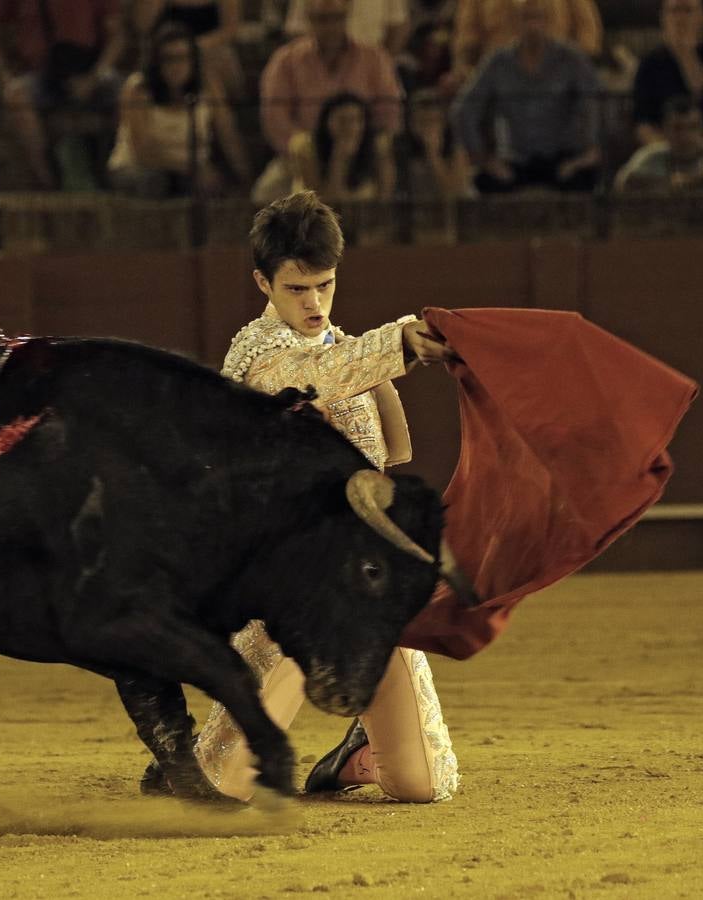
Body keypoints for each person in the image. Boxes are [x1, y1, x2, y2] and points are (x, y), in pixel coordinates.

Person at [148, 190, 460, 804]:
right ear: (263, 283)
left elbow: (378, 450)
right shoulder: (257, 358)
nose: (314, 303)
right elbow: (315, 378)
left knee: (424, 785)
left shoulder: (344, 350)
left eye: (324, 285)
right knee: (223, 791)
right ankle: (194, 759)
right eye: (297, 289)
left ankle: (351, 756)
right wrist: (400, 341)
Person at [253, 0, 403, 203]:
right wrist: (305, 150)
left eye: (336, 18)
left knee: (382, 162)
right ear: (309, 19)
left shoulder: (374, 57)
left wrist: (361, 144)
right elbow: (275, 118)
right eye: (322, 19)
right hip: (303, 156)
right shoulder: (286, 60)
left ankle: (381, 219)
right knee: (264, 194)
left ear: (346, 17)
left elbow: (389, 113)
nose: (330, 26)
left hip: (361, 154)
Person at [451, 0, 602, 193]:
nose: (533, 26)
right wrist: (482, 158)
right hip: (515, 160)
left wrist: (588, 153)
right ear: (516, 23)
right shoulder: (498, 62)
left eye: (538, 18)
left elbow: (598, 101)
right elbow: (464, 110)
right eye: (527, 19)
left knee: (585, 179)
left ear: (548, 21)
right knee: (484, 181)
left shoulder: (570, 58)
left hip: (563, 158)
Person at [0, 0, 126, 189]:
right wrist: (5, 74)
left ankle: (113, 171)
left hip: (91, 69)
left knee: (127, 93)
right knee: (16, 96)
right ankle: (49, 181)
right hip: (40, 74)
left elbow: (117, 38)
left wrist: (93, 78)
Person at [107, 23, 250, 197]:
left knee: (213, 186)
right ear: (156, 61)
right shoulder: (138, 89)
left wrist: (245, 178)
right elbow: (142, 151)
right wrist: (191, 168)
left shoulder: (207, 85)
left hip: (193, 172)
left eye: (184, 58)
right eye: (169, 59)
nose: (177, 66)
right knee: (155, 182)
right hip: (141, 168)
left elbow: (227, 134)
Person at [632, 0, 703, 146]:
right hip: (664, 147)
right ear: (663, 17)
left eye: (688, 10)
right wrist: (667, 149)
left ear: (702, 16)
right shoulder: (649, 64)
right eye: (674, 11)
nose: (680, 18)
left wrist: (685, 54)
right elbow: (642, 121)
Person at [452, 0, 602, 88]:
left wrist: (572, 72)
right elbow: (466, 41)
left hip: (558, 81)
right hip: (497, 84)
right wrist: (465, 72)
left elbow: (588, 34)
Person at [615, 96, 703, 191]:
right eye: (678, 128)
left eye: (693, 127)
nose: (686, 135)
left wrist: (672, 184)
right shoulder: (652, 154)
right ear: (664, 130)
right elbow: (622, 183)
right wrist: (694, 181)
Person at [290, 92, 395, 200]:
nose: (351, 127)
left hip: (367, 209)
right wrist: (338, 159)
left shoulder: (377, 145)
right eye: (342, 121)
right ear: (326, 122)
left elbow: (385, 196)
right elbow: (322, 201)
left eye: (356, 120)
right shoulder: (307, 147)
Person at [132, 0, 243, 97]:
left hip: (209, 48)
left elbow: (231, 29)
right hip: (165, 48)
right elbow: (143, 26)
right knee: (167, 58)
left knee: (217, 60)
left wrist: (192, 47)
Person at [393, 88, 473, 198]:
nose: (429, 128)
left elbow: (454, 195)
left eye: (433, 121)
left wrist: (433, 155)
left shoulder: (456, 150)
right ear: (411, 124)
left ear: (444, 124)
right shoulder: (398, 147)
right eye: (423, 122)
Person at [286, 0, 411, 55]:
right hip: (317, 70)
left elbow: (397, 25)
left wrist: (381, 66)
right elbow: (297, 29)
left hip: (370, 70)